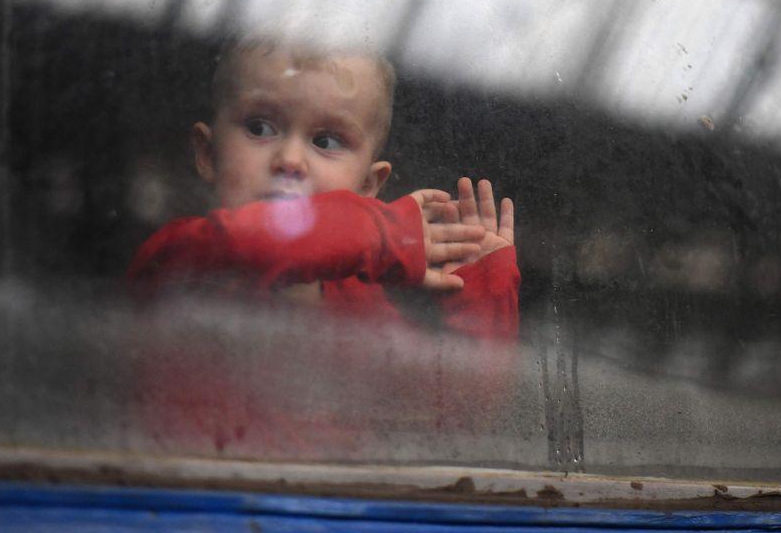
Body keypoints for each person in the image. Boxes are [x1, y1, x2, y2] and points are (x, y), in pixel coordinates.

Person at [127, 37, 520, 456]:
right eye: (260, 127)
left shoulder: (361, 303)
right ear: (208, 154)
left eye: (327, 141)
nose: (291, 160)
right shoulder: (184, 255)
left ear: (369, 187)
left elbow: (449, 415)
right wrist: (382, 232)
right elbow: (256, 245)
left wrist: (481, 294)